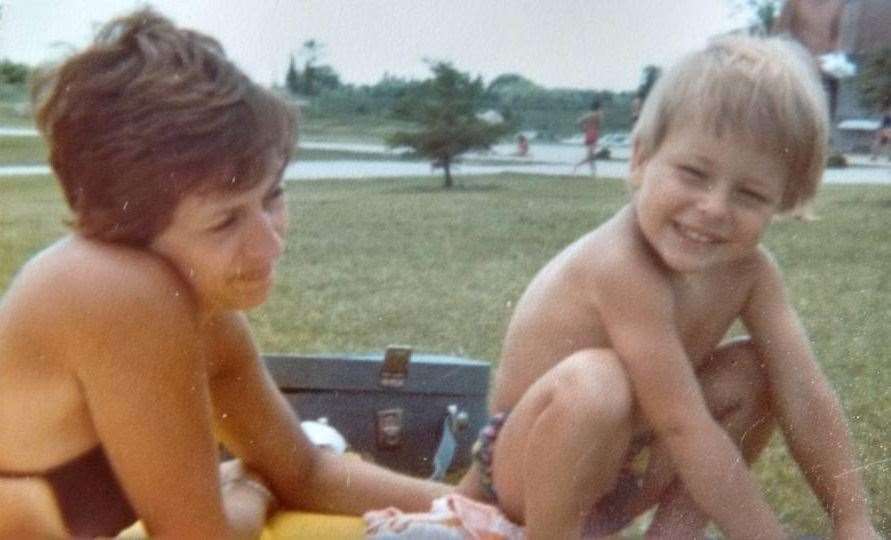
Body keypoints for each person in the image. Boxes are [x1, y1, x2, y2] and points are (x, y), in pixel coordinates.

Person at [0, 9, 446, 538]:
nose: (270, 240)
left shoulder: (197, 307)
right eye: (224, 221)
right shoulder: (114, 288)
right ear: (130, 226)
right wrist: (249, 491)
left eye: (272, 196)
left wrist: (477, 508)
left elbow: (304, 472)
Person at [457, 36, 879, 540]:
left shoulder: (751, 272)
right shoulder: (622, 264)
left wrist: (854, 524)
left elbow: (806, 394)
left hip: (622, 467)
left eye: (749, 193)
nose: (715, 207)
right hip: (522, 477)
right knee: (598, 380)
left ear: (781, 200)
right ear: (640, 158)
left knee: (758, 368)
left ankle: (673, 535)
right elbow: (683, 426)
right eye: (694, 173)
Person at [572, 100, 602, 176]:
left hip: (589, 133)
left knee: (591, 156)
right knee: (590, 156)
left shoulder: (590, 114)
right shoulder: (596, 114)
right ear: (598, 107)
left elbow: (578, 122)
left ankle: (593, 172)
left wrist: (583, 128)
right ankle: (577, 165)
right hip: (593, 134)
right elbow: (579, 121)